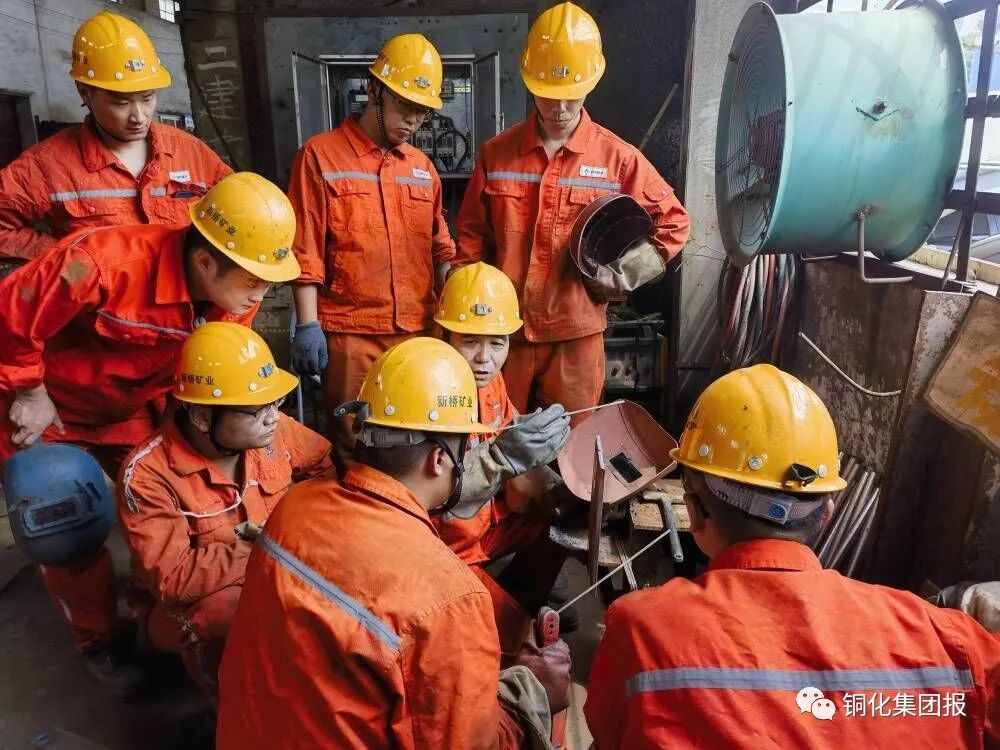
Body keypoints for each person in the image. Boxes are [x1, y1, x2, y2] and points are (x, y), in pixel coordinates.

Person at [585, 364, 1000, 749]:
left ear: (691, 512)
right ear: (827, 513)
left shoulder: (639, 632)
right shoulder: (951, 641)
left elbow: (609, 734)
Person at [0, 171, 299, 698]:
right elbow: (11, 312)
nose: (263, 291)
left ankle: (156, 612)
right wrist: (28, 389)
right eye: (255, 279)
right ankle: (97, 639)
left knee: (174, 499)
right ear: (205, 262)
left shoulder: (235, 293)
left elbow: (214, 373)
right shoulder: (100, 262)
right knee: (62, 518)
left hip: (134, 403)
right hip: (53, 408)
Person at [217, 337, 571, 749]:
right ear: (439, 459)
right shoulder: (449, 599)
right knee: (548, 711)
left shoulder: (294, 506)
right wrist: (532, 696)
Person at [455, 2, 690, 418]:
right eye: (549, 95)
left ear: (591, 84)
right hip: (504, 337)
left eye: (571, 96)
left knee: (572, 440)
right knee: (495, 436)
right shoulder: (497, 154)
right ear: (530, 83)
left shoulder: (618, 159)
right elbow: (472, 237)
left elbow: (674, 222)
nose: (560, 108)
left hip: (576, 337)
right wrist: (471, 318)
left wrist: (623, 275)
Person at [117, 322, 331, 702]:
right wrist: (270, 545)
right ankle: (229, 706)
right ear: (202, 417)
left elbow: (324, 468)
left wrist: (304, 522)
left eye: (276, 402)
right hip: (189, 604)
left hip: (272, 567)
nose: (272, 416)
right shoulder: (148, 475)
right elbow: (173, 579)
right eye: (256, 409)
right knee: (222, 616)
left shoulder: (274, 431)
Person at [287, 33, 455, 473]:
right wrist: (308, 324)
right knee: (354, 445)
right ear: (374, 90)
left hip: (418, 329)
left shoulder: (422, 168)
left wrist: (452, 318)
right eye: (404, 105)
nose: (413, 119)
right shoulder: (319, 157)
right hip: (351, 332)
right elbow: (304, 249)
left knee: (418, 440)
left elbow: (440, 249)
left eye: (422, 110)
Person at [0, 11, 231, 263]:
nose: (139, 116)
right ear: (85, 94)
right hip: (100, 290)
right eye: (121, 103)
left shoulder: (190, 151)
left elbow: (238, 211)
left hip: (181, 288)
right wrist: (65, 259)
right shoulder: (46, 165)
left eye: (147, 98)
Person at [433, 261, 574, 652]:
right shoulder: (426, 390)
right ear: (444, 335)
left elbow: (506, 427)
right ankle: (503, 615)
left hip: (487, 523)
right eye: (470, 341)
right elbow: (427, 495)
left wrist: (560, 481)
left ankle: (522, 599)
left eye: (497, 343)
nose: (485, 358)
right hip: (444, 545)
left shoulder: (491, 382)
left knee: (562, 523)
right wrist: (501, 456)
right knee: (512, 645)